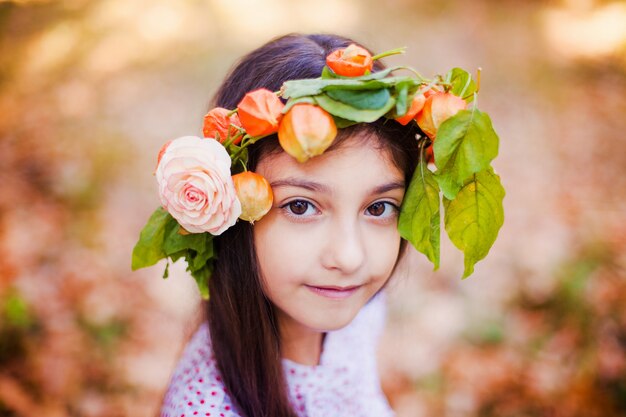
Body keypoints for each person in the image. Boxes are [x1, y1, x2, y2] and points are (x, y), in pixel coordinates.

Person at [134, 32, 504, 417]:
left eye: (378, 208)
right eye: (300, 206)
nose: (349, 257)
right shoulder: (207, 409)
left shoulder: (355, 311)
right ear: (231, 216)